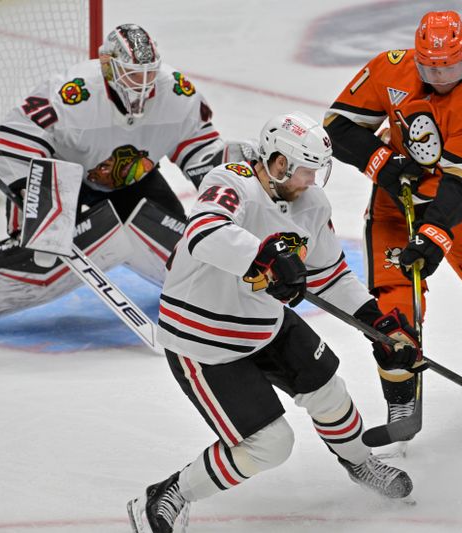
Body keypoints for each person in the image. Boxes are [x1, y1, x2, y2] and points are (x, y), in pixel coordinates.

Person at [126, 111, 425, 533]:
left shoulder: (312, 204)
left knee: (329, 392)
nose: (311, 181)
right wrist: (263, 254)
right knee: (271, 445)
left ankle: (360, 463)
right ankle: (170, 491)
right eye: (305, 171)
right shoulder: (231, 181)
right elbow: (204, 233)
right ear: (279, 162)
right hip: (205, 338)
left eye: (317, 171)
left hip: (265, 321)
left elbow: (331, 276)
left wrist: (379, 324)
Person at [0, 24, 251, 344]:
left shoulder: (177, 93)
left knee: (185, 254)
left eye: (148, 73)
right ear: (107, 65)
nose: (142, 84)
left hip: (135, 182)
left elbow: (199, 149)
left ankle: (227, 296)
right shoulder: (73, 94)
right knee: (41, 256)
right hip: (62, 179)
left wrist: (226, 185)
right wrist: (37, 194)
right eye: (131, 73)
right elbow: (10, 139)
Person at [323, 11, 462, 427]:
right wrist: (382, 164)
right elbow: (337, 126)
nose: (442, 79)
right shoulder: (387, 68)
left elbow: (460, 184)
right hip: (394, 208)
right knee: (397, 319)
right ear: (416, 57)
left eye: (453, 69)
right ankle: (401, 403)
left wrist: (433, 234)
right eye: (430, 69)